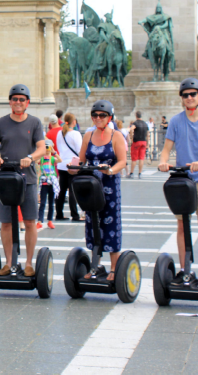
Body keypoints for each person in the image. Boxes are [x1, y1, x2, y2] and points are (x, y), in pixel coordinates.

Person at [159, 78, 198, 288]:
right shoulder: (176, 121)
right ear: (182, 99)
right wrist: (163, 162)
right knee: (182, 226)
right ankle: (185, 270)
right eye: (186, 95)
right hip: (183, 179)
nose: (190, 98)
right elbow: (166, 148)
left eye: (193, 94)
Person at [0, 84, 45, 277]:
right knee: (6, 222)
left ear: (27, 102)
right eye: (14, 99)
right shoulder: (1, 123)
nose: (18, 102)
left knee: (29, 221)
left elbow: (42, 149)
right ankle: (9, 262)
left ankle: (28, 263)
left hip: (27, 178)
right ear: (10, 102)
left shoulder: (35, 123)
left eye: (22, 99)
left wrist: (31, 157)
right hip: (7, 179)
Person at [69, 100, 127, 281]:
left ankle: (114, 268)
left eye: (102, 115)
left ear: (110, 117)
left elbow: (122, 161)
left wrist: (109, 170)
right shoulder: (88, 135)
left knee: (111, 225)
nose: (98, 118)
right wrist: (73, 167)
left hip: (109, 186)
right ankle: (95, 265)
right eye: (95, 115)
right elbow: (81, 159)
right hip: (91, 186)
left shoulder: (116, 136)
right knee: (93, 223)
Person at [56, 113, 83, 222]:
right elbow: (80, 149)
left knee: (61, 190)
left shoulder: (60, 133)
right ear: (74, 122)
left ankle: (59, 213)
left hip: (62, 163)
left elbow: (58, 147)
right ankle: (75, 215)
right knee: (72, 191)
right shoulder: (75, 134)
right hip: (72, 164)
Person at [37, 139, 61, 230]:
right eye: (46, 147)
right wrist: (41, 152)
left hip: (52, 182)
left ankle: (50, 220)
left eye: (48, 147)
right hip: (44, 182)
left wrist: (54, 152)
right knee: (42, 203)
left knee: (51, 203)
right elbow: (36, 161)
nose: (47, 149)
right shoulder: (42, 158)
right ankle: (40, 221)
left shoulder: (52, 158)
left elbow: (60, 160)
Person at [129, 111, 148, 179]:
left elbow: (131, 129)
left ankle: (131, 173)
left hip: (136, 142)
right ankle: (140, 173)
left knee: (134, 159)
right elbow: (147, 135)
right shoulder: (145, 124)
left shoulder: (135, 123)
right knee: (141, 158)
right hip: (144, 142)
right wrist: (147, 144)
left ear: (136, 116)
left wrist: (131, 137)